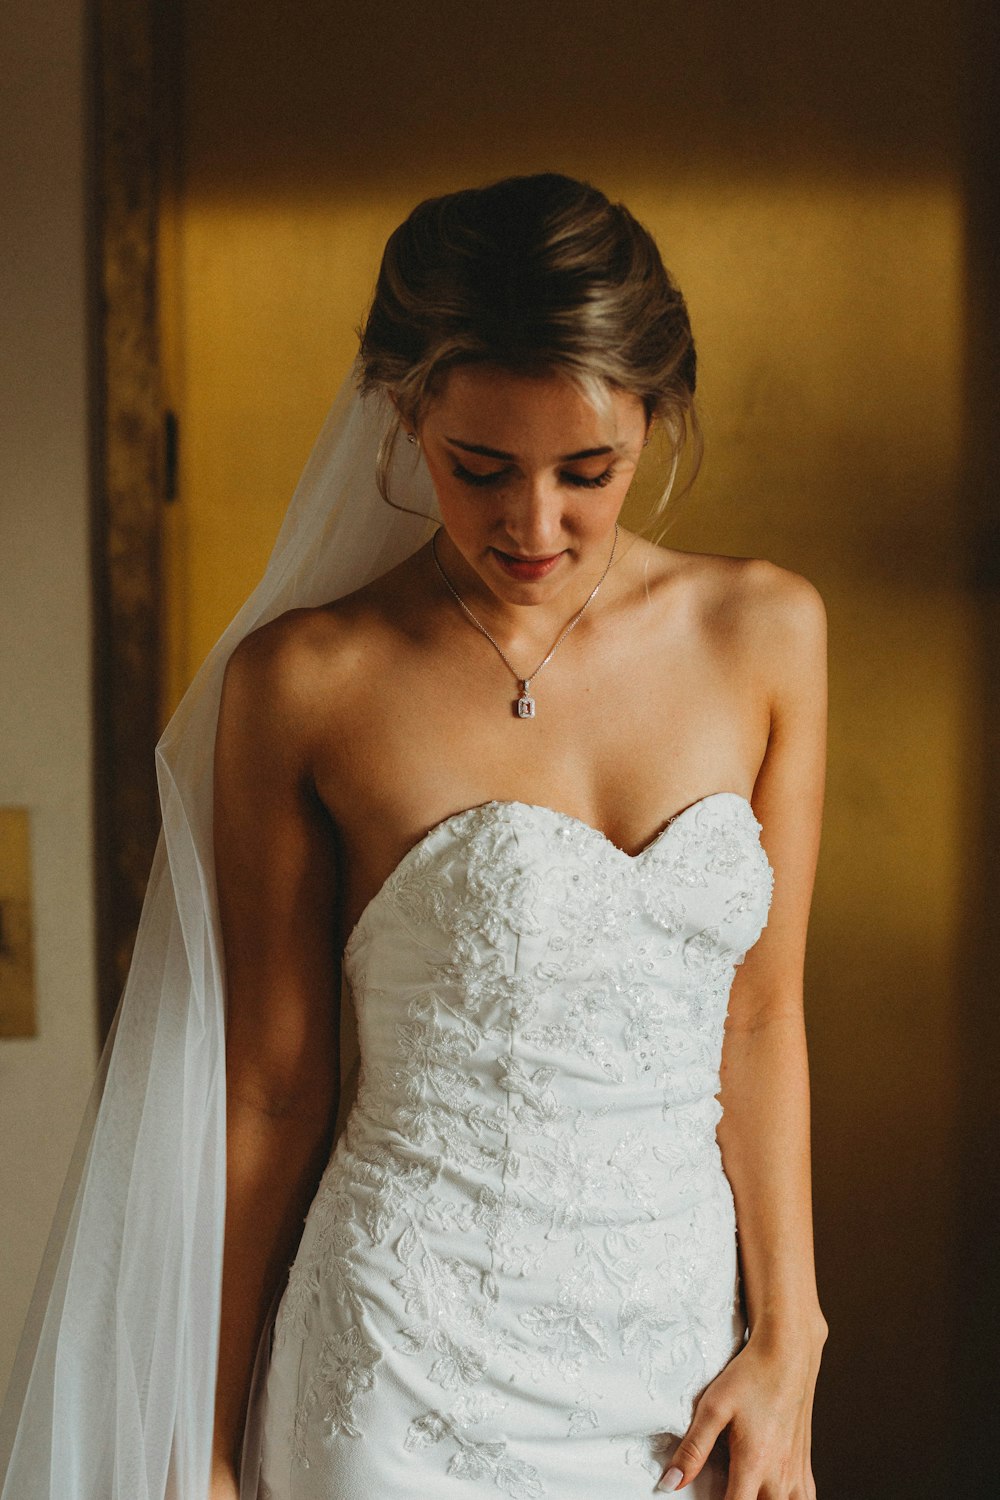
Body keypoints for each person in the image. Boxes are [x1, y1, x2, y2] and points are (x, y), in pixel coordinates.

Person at [0, 174, 827, 1500]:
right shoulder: (309, 682)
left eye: (590, 472)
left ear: (657, 418)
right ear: (402, 412)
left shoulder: (769, 636)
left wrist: (792, 1336)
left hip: (686, 1371)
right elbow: (270, 1092)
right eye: (480, 468)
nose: (534, 525)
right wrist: (198, 1440)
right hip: (397, 1373)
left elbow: (760, 1020)